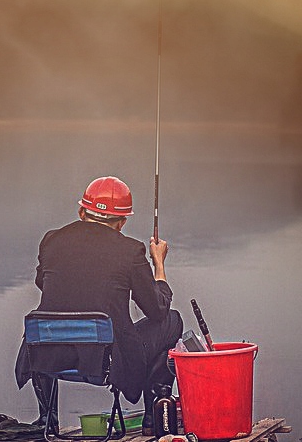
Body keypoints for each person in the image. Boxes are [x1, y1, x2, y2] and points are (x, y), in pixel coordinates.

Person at [15, 176, 183, 436]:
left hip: (51, 355)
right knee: (172, 320)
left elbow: (43, 283)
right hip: (108, 361)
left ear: (82, 211)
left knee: (43, 328)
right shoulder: (130, 251)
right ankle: (153, 418)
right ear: (122, 222)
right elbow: (157, 310)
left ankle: (48, 419)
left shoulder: (51, 240)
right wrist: (158, 264)